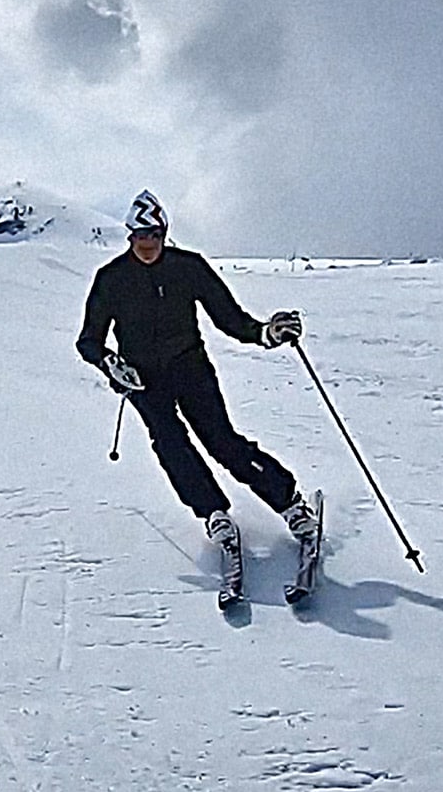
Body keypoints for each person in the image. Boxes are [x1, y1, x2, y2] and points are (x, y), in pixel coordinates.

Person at [76, 190, 318, 554]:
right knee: (171, 445)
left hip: (190, 368)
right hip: (142, 381)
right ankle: (213, 513)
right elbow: (88, 340)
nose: (146, 243)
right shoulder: (111, 279)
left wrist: (265, 333)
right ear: (130, 237)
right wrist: (110, 363)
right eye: (139, 236)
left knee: (221, 441)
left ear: (164, 232)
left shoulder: (188, 267)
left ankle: (290, 504)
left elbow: (229, 318)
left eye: (154, 235)